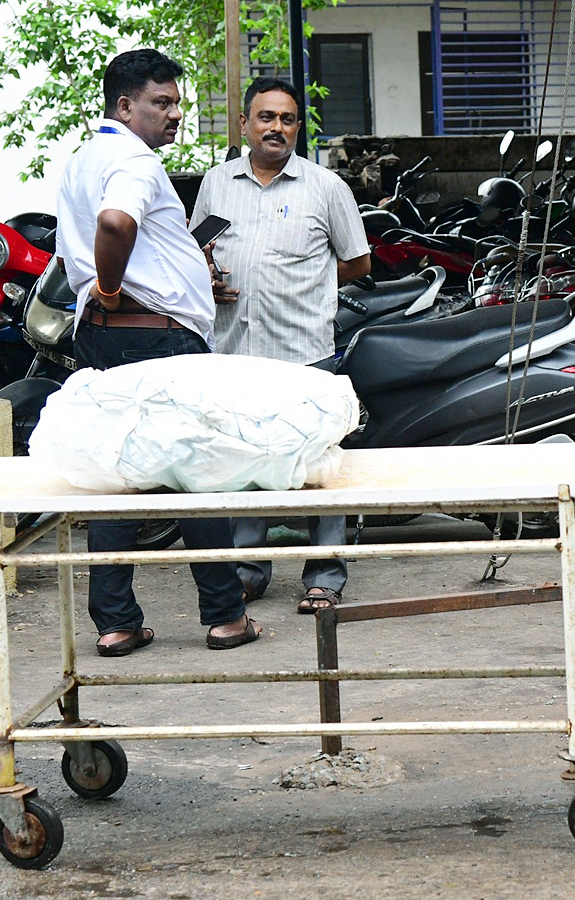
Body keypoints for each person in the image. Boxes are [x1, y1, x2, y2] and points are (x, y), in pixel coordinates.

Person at [55, 49, 261, 654]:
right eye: (161, 103)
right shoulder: (133, 159)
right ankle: (225, 616)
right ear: (126, 105)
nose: (174, 115)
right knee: (195, 471)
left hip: (106, 333)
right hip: (156, 336)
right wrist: (115, 287)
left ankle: (116, 623)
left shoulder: (82, 158)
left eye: (176, 103)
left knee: (117, 475)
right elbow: (116, 225)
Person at [192, 76, 371, 614]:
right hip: (234, 348)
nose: (276, 128)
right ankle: (248, 568)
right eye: (265, 117)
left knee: (317, 462)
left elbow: (358, 261)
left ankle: (326, 572)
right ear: (245, 124)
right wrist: (208, 277)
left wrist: (308, 285)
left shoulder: (324, 187)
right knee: (244, 462)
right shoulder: (216, 184)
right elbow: (199, 248)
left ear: (298, 128)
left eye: (287, 119)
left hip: (304, 350)